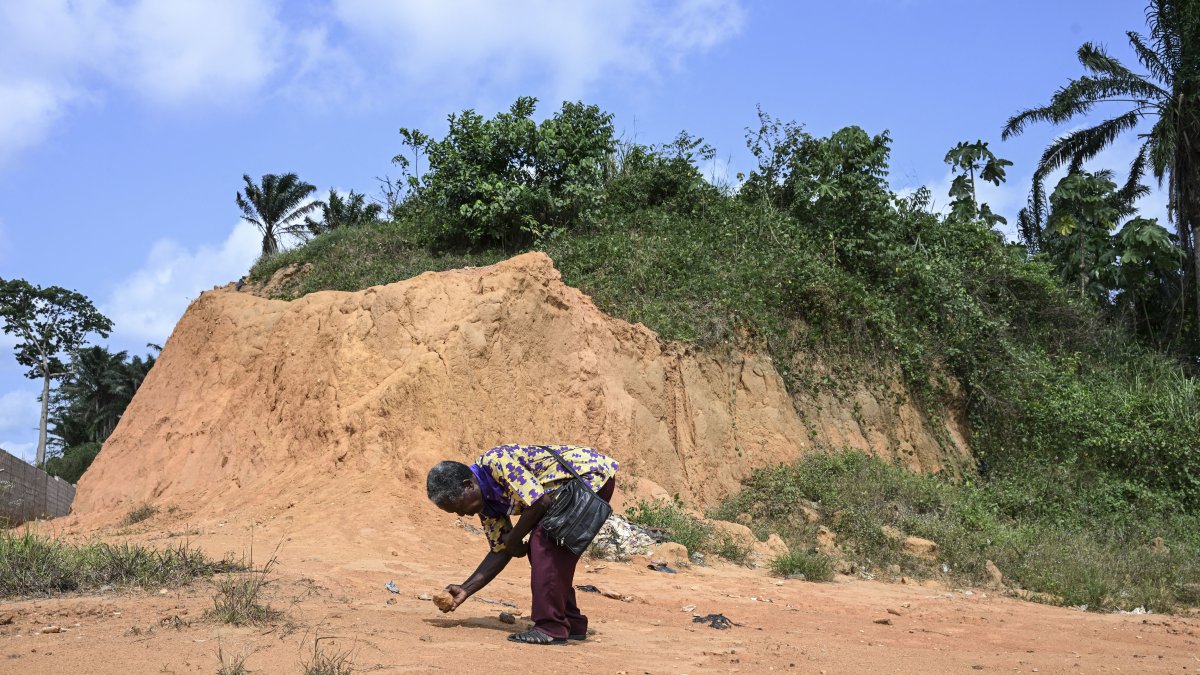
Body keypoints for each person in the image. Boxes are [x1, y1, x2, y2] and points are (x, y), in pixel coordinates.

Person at [425, 443, 619, 645]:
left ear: (468, 485)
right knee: (543, 549)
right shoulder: (485, 504)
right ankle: (571, 623)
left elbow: (539, 503)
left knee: (544, 544)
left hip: (590, 477)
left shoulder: (496, 463)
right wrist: (466, 589)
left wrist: (514, 539)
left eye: (458, 506)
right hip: (568, 490)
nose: (461, 514)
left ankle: (551, 627)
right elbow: (500, 551)